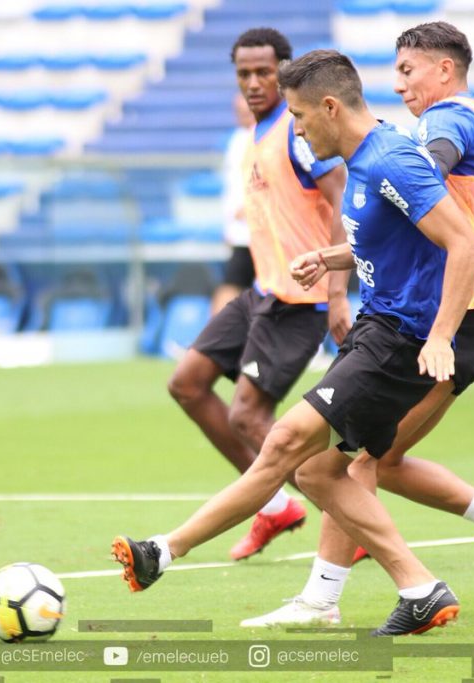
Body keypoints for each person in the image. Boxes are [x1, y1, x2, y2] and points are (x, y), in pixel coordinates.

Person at [113, 48, 474, 636]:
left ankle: (163, 551)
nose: (300, 131)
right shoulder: (367, 159)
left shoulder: (390, 160)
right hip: (378, 332)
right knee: (313, 472)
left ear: (330, 108)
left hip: (399, 340)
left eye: (302, 117)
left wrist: (440, 335)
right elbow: (392, 241)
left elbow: (466, 245)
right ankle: (419, 587)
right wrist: (332, 256)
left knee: (284, 442)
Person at [241, 22, 474, 629]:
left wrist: (396, 177)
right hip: (465, 311)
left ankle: (337, 598)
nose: (399, 85)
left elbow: (420, 185)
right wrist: (340, 257)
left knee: (345, 463)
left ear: (444, 69)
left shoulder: (445, 123)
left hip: (450, 316)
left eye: (408, 71)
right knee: (366, 460)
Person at [164, 28, 351, 562]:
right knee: (188, 383)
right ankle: (272, 506)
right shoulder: (255, 135)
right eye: (243, 74)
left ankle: (346, 518)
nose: (252, 83)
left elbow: (342, 200)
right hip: (263, 291)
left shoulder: (296, 133)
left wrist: (338, 293)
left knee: (249, 415)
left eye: (263, 72)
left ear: (285, 70)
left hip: (301, 299)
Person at [211, 93, 256, 315]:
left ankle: (208, 345)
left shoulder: (264, 137)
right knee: (235, 286)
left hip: (259, 229)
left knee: (233, 287)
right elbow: (232, 188)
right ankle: (210, 345)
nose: (241, 113)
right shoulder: (238, 139)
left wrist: (251, 205)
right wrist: (229, 225)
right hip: (242, 233)